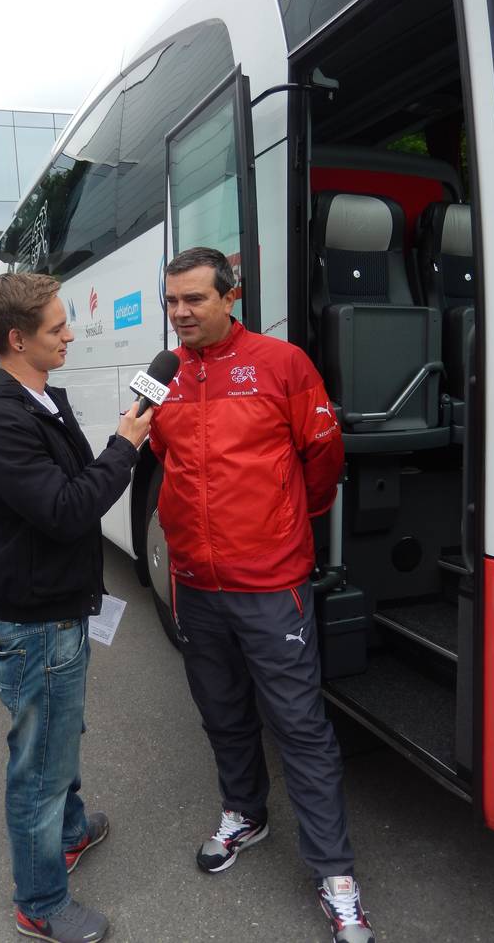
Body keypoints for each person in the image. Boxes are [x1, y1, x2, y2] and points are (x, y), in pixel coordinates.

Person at [149, 247, 375, 943]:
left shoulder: (282, 364)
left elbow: (323, 459)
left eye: (194, 299)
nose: (180, 313)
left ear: (231, 296)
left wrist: (282, 525)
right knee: (221, 713)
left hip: (271, 583)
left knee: (299, 726)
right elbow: (159, 455)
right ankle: (245, 812)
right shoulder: (164, 374)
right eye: (171, 301)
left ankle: (335, 875)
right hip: (195, 583)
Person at [0, 273, 152, 943]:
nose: (70, 335)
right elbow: (66, 509)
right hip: (37, 617)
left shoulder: (32, 395)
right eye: (57, 327)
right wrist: (125, 447)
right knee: (38, 763)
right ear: (17, 338)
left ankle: (69, 832)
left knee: (59, 735)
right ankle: (39, 902)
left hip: (56, 602)